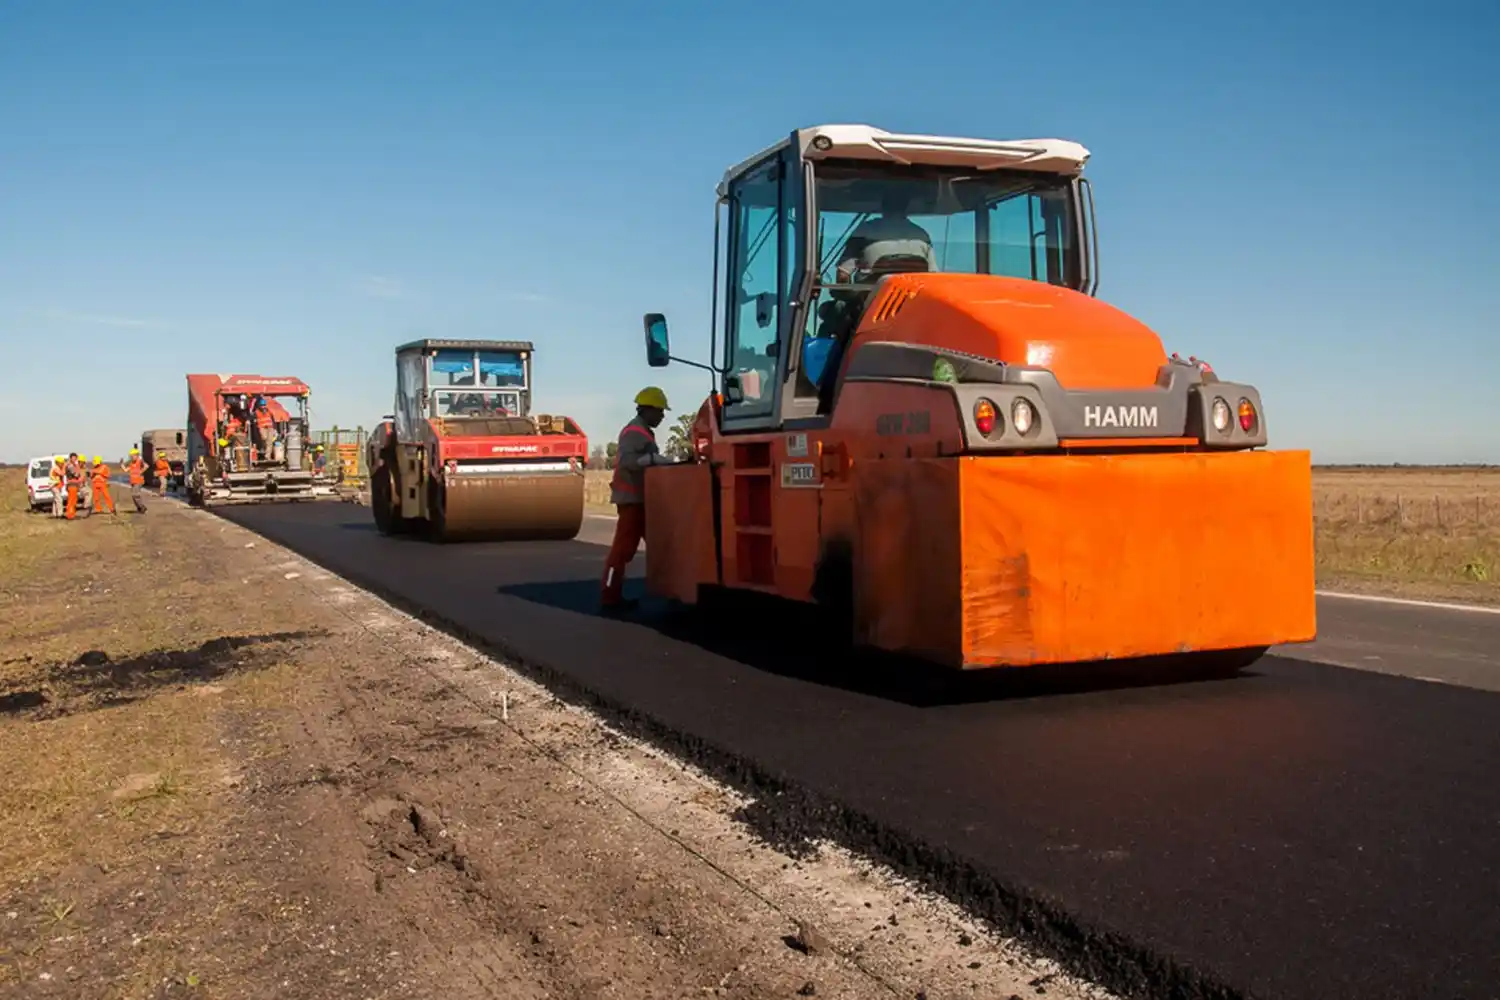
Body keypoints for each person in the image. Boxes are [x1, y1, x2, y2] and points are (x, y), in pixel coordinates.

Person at [600, 386, 681, 613]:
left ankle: (672, 592)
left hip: (643, 501)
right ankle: (609, 597)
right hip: (632, 501)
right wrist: (650, 460)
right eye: (660, 411)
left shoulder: (643, 430)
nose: (663, 416)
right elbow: (627, 462)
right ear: (648, 410)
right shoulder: (634, 432)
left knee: (662, 546)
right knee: (621, 552)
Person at [835, 188, 937, 283]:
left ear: (883, 205)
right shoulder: (922, 236)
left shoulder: (865, 230)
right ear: (906, 206)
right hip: (913, 299)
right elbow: (933, 277)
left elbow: (843, 274)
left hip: (870, 299)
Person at [63, 453, 85, 520]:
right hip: (71, 485)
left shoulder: (73, 465)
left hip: (74, 485)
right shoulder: (69, 465)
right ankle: (70, 515)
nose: (75, 459)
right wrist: (79, 470)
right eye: (73, 457)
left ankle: (72, 514)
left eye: (75, 458)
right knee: (71, 501)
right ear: (70, 458)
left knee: (74, 501)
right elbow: (76, 474)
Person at [126, 448, 148, 513]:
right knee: (133, 496)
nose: (131, 457)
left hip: (138, 481)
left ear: (136, 455)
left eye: (132, 456)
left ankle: (143, 507)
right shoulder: (131, 463)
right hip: (133, 481)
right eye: (131, 456)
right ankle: (139, 508)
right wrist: (121, 465)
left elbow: (146, 466)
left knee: (136, 495)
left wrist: (141, 471)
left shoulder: (140, 461)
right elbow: (126, 470)